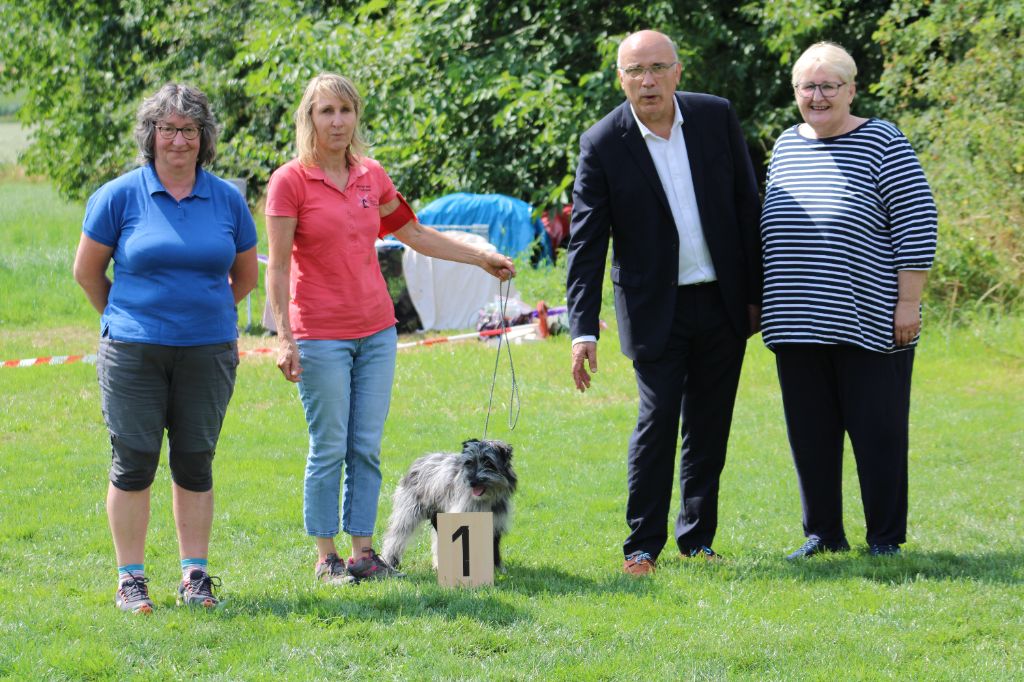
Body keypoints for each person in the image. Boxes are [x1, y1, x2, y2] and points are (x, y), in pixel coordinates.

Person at [265, 73, 515, 585]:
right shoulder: (290, 180)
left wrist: (481, 257)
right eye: (326, 111)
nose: (337, 121)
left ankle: (363, 553)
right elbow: (278, 266)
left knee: (366, 445)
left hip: (377, 331)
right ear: (309, 118)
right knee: (329, 445)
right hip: (320, 333)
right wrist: (284, 337)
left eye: (346, 111)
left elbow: (416, 234)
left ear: (357, 116)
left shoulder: (370, 176)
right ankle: (326, 557)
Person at [565, 30, 762, 576]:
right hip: (655, 310)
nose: (646, 81)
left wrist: (753, 295)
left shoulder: (716, 117)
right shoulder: (602, 142)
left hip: (722, 302)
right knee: (658, 422)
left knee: (710, 425)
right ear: (620, 78)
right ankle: (641, 546)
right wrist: (583, 329)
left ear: (678, 71)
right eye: (635, 71)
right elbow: (586, 242)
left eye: (657, 68)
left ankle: (697, 539)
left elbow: (748, 207)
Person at [73, 83, 259, 612]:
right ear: (151, 135)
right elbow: (87, 273)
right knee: (133, 462)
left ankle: (195, 575)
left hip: (208, 350)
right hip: (133, 351)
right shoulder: (118, 195)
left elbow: (243, 276)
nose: (178, 140)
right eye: (168, 129)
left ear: (205, 139)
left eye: (190, 130)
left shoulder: (226, 199)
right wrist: (128, 318)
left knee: (195, 462)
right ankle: (130, 580)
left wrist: (205, 312)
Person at [760, 42, 938, 559]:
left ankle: (884, 538)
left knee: (877, 433)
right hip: (796, 322)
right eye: (807, 87)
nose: (817, 96)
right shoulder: (786, 145)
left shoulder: (883, 140)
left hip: (872, 318)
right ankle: (822, 534)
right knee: (811, 437)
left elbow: (917, 224)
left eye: (828, 86)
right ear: (795, 92)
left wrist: (909, 303)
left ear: (851, 89)